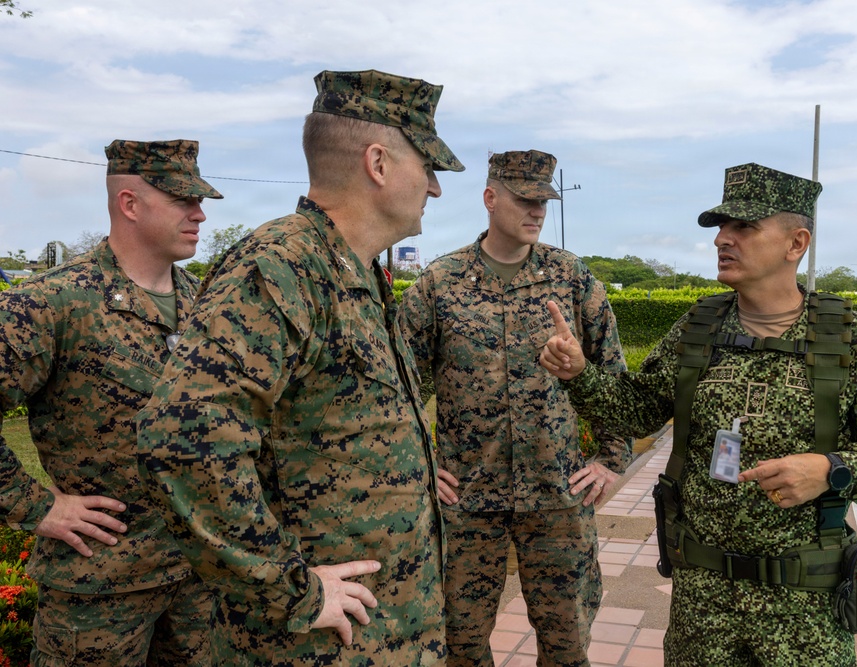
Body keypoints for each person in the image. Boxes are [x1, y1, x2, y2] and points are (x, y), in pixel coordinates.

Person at [540, 162, 857, 666]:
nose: (723, 238)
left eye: (744, 226)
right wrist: (580, 374)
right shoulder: (697, 328)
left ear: (796, 243)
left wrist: (831, 470)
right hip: (702, 605)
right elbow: (637, 412)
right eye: (721, 227)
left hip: (804, 611)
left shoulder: (847, 337)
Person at [135, 69, 464, 666]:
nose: (436, 188)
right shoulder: (282, 266)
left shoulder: (354, 270)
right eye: (429, 165)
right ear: (379, 163)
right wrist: (288, 588)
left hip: (386, 632)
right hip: (310, 645)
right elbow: (183, 438)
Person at [398, 149, 631, 666]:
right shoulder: (441, 283)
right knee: (458, 642)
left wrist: (612, 459)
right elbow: (399, 390)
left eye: (543, 201)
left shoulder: (571, 279)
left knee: (567, 643)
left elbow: (614, 376)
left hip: (557, 497)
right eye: (524, 200)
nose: (537, 211)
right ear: (489, 198)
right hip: (468, 501)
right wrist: (420, 465)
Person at [0, 139, 222, 666]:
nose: (200, 213)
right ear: (130, 203)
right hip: (98, 590)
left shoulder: (206, 305)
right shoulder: (50, 304)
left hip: (198, 581)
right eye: (183, 200)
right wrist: (36, 506)